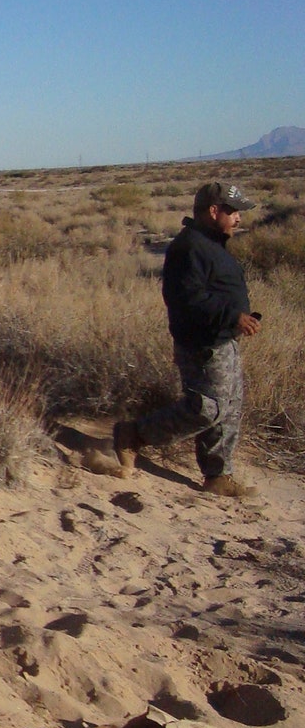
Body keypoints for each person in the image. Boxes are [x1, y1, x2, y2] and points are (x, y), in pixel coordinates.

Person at [113, 181, 262, 497]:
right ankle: (134, 434)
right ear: (213, 211)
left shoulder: (211, 244)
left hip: (223, 341)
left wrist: (237, 320)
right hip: (201, 345)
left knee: (229, 408)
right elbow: (187, 298)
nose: (238, 218)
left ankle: (218, 475)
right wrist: (233, 316)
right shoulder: (189, 247)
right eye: (233, 211)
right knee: (206, 409)